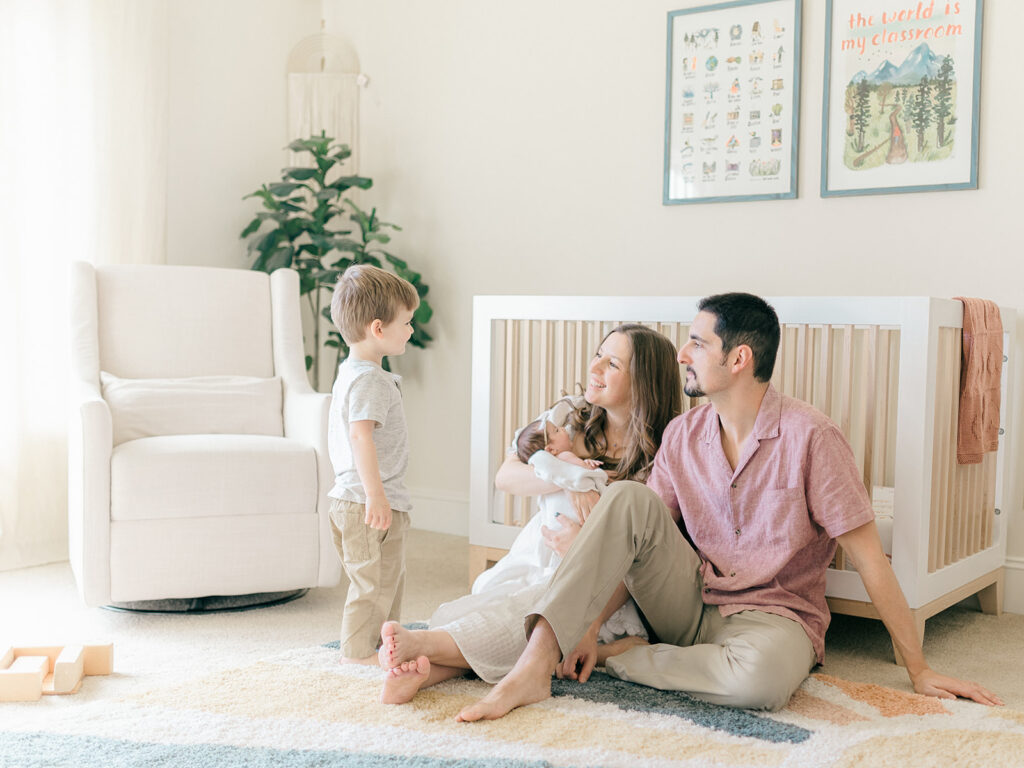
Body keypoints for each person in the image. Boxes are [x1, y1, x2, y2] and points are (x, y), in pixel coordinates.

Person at [455, 292, 1003, 722]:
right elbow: (636, 532)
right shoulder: (682, 434)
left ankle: (627, 657)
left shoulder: (813, 437)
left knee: (758, 683)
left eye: (697, 343)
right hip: (691, 598)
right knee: (626, 496)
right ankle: (535, 664)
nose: (681, 354)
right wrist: (587, 626)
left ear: (739, 358)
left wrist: (919, 669)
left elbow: (870, 560)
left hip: (775, 615)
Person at [376, 323, 682, 704]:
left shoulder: (671, 450)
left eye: (612, 363)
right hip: (546, 553)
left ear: (644, 382)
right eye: (597, 355)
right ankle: (427, 673)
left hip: (615, 583)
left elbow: (651, 546)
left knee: (541, 605)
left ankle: (428, 647)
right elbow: (507, 475)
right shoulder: (566, 418)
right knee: (503, 602)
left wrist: (585, 554)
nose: (595, 367)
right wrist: (569, 479)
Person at [326, 264, 419, 665]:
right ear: (378, 328)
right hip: (368, 501)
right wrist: (375, 496)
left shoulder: (354, 372)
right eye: (407, 322)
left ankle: (385, 646)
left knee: (387, 582)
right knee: (370, 585)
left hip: (371, 499)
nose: (411, 330)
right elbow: (360, 437)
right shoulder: (369, 381)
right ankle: (357, 656)